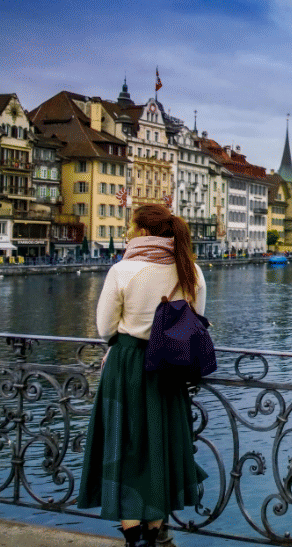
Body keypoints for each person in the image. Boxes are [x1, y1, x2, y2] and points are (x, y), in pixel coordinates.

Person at [77, 204, 208, 547]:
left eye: (131, 227)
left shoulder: (123, 270)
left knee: (126, 447)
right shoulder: (191, 269)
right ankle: (154, 536)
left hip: (128, 366)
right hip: (170, 370)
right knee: (160, 447)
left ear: (144, 231)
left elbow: (105, 327)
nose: (128, 233)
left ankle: (132, 539)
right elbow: (196, 321)